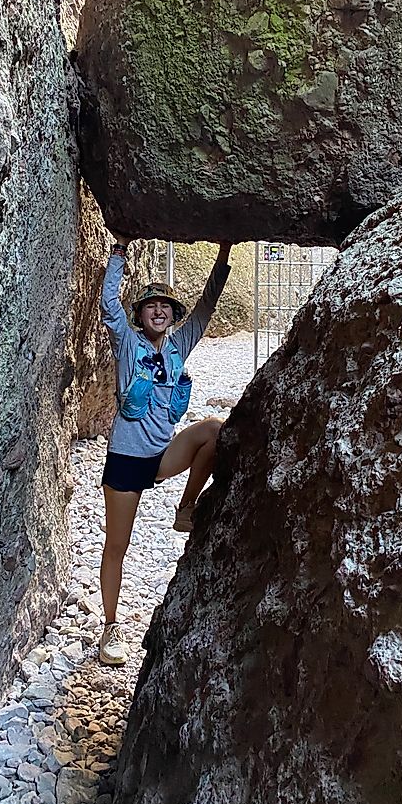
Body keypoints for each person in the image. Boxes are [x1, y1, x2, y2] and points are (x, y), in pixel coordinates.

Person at [97, 234, 232, 666]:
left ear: (174, 316)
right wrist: (118, 253)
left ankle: (185, 507)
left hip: (160, 456)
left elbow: (207, 306)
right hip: (126, 457)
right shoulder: (128, 343)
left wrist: (224, 255)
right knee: (117, 544)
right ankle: (110, 627)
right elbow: (108, 304)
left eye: (166, 307)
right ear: (140, 316)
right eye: (151, 306)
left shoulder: (179, 346)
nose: (159, 310)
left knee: (213, 429)